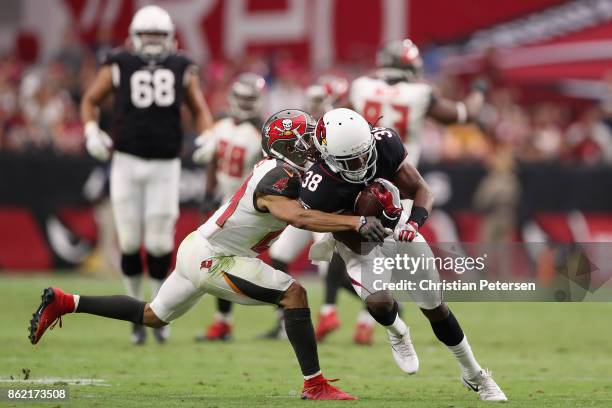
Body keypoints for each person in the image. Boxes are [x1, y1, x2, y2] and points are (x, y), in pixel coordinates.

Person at [29, 109, 391, 400]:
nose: (312, 144)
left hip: (200, 246)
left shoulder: (285, 169)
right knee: (294, 293)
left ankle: (65, 302)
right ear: (288, 147)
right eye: (304, 140)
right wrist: (355, 222)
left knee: (153, 315)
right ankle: (315, 385)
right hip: (213, 256)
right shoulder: (277, 176)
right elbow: (297, 216)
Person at [300, 108, 507, 402]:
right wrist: (359, 225)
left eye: (363, 153)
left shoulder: (384, 144)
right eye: (351, 159)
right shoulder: (318, 185)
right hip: (354, 241)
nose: (361, 162)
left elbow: (422, 190)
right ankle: (397, 331)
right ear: (329, 156)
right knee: (380, 304)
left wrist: (412, 223)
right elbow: (325, 227)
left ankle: (475, 374)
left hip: (397, 227)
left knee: (435, 307)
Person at [317, 38, 488, 344]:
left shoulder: (362, 86)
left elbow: (340, 124)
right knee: (386, 255)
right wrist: (479, 92)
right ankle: (375, 320)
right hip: (397, 181)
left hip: (356, 179)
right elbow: (464, 114)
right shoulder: (420, 92)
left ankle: (351, 315)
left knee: (352, 248)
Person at [80, 5, 213, 344]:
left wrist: (207, 134)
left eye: (158, 36)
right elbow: (91, 100)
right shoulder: (118, 63)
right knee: (127, 240)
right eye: (147, 36)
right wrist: (91, 130)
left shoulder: (182, 66)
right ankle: (134, 315)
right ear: (134, 38)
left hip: (165, 164)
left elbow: (199, 108)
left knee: (157, 241)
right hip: (126, 161)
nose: (153, 43)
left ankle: (158, 310)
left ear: (170, 38)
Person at [191, 73, 267, 341]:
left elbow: (263, 172)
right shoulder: (220, 125)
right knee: (216, 260)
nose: (245, 104)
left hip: (243, 204)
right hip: (222, 201)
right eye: (242, 98)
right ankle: (223, 321)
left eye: (250, 99)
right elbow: (213, 162)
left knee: (222, 261)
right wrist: (208, 193)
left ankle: (224, 321)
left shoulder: (260, 133)